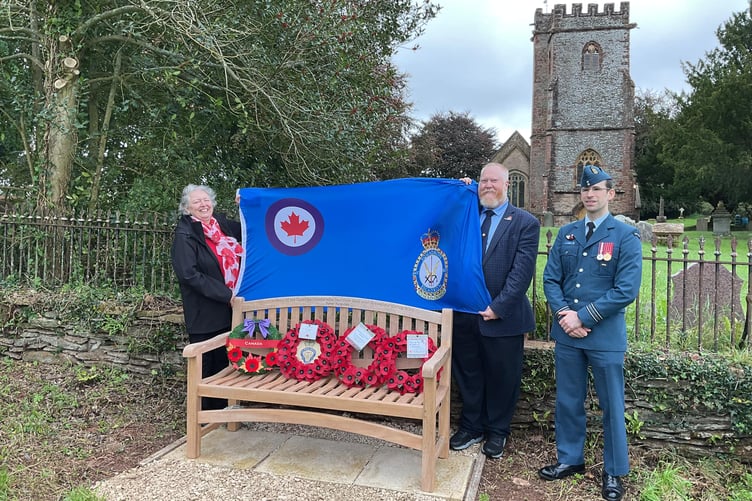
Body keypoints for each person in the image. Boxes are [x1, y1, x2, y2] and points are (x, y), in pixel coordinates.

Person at [538, 165, 642, 501]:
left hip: (604, 337)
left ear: (611, 194)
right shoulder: (567, 233)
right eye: (585, 189)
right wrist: (566, 315)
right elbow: (551, 280)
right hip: (568, 334)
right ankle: (570, 460)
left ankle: (613, 472)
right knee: (569, 401)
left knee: (611, 405)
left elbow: (626, 290)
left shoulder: (624, 236)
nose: (590, 194)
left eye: (597, 189)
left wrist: (583, 316)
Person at [451, 162, 540, 459]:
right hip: (465, 316)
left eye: (494, 181)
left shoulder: (525, 223)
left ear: (507, 184)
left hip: (504, 318)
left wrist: (497, 307)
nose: (487, 186)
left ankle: (497, 432)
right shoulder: (466, 215)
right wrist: (459, 191)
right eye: (482, 181)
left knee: (503, 377)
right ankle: (471, 426)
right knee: (468, 374)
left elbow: (521, 273)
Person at [171, 184, 243, 410]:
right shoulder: (185, 234)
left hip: (230, 310)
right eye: (196, 202)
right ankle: (205, 418)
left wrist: (247, 206)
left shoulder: (221, 225)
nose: (203, 205)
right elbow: (188, 274)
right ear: (187, 209)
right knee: (208, 368)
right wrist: (226, 294)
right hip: (206, 313)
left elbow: (250, 229)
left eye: (206, 200)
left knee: (227, 362)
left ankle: (225, 413)